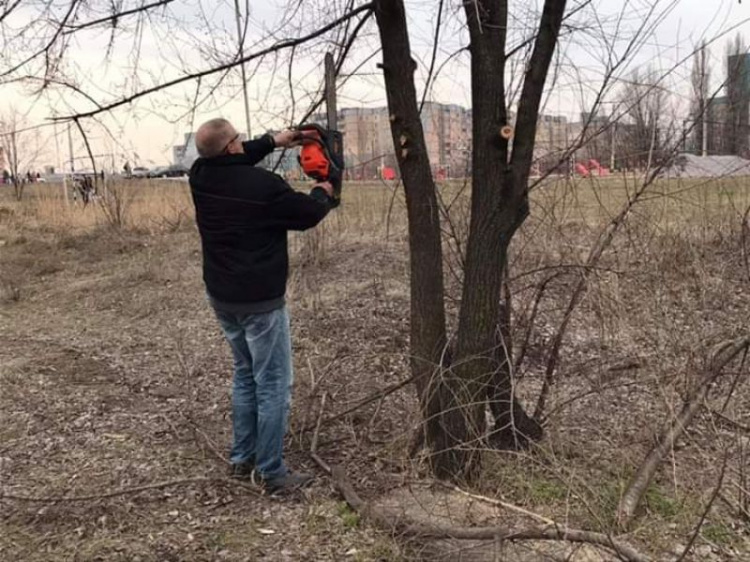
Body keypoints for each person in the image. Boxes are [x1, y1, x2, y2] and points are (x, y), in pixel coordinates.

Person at [189, 118, 334, 495]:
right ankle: (271, 471)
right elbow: (307, 215)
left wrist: (274, 141)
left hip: (222, 296)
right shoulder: (264, 187)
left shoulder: (200, 174)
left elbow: (235, 158)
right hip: (260, 301)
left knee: (245, 374)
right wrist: (324, 191)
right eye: (239, 139)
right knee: (273, 384)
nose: (243, 143)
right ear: (233, 146)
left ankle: (242, 458)